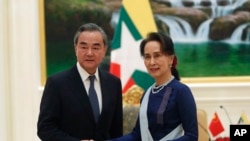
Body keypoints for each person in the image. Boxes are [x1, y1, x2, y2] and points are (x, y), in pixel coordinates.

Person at [37, 23, 123, 141]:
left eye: (96, 47)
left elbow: (117, 131)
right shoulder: (56, 84)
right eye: (83, 47)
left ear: (104, 50)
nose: (89, 53)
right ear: (75, 48)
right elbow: (45, 128)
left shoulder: (114, 83)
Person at [110, 32, 198, 141]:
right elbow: (137, 135)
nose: (152, 62)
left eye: (157, 56)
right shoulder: (147, 94)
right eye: (147, 57)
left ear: (170, 59)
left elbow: (191, 136)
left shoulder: (182, 92)